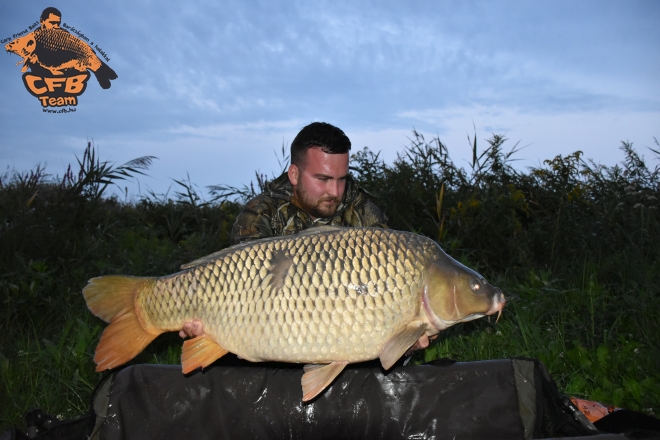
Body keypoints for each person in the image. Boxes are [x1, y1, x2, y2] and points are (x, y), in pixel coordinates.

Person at [180, 122, 434, 351]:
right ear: (294, 174)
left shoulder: (363, 214)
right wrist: (207, 327)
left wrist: (404, 338)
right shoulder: (262, 213)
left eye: (341, 179)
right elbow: (244, 289)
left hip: (345, 335)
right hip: (273, 331)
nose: (334, 191)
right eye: (322, 179)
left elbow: (386, 292)